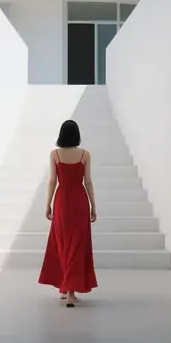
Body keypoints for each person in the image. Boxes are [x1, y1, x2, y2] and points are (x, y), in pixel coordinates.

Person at [38, 119, 98, 306]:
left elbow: (52, 181)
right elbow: (88, 181)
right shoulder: (84, 154)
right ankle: (69, 291)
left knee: (63, 244)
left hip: (62, 202)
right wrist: (92, 205)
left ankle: (68, 289)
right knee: (77, 245)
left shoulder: (55, 154)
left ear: (61, 135)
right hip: (79, 202)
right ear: (77, 135)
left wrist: (47, 204)